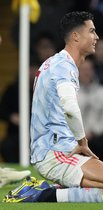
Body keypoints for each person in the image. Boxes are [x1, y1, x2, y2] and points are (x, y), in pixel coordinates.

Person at [4, 11, 103, 203]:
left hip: (51, 150)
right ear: (76, 36)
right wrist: (82, 142)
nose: (96, 37)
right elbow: (70, 107)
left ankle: (44, 190)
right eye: (92, 31)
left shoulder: (54, 63)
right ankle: (41, 194)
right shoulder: (63, 67)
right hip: (56, 153)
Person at [0, 34, 31, 189]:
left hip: (38, 133)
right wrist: (12, 117)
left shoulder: (40, 86)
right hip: (15, 133)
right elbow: (2, 110)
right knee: (8, 144)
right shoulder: (13, 89)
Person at [78, 57, 103, 163]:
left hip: (98, 138)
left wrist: (93, 132)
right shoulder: (69, 93)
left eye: (89, 69)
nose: (86, 73)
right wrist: (81, 134)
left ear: (93, 71)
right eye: (83, 69)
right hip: (74, 138)